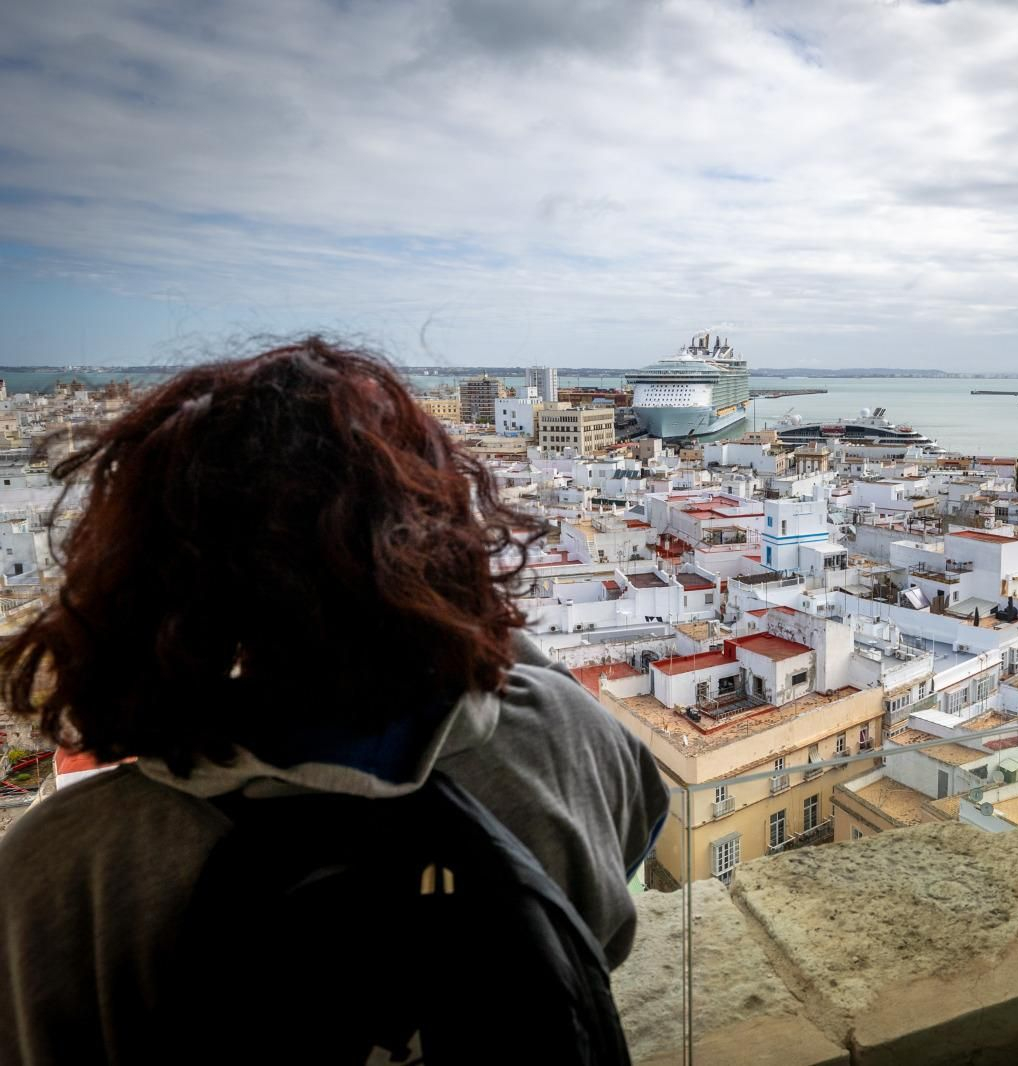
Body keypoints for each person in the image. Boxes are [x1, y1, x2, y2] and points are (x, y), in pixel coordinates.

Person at [0, 338, 669, 1063]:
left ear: (149, 569)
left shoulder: (71, 871)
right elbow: (616, 883)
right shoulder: (560, 737)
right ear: (427, 531)